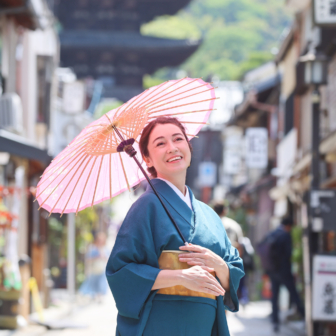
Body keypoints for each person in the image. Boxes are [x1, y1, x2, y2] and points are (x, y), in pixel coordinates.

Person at [106, 117, 244, 336]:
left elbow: (233, 270)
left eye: (178, 139)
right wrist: (181, 277)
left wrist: (219, 265)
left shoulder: (209, 214)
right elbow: (121, 272)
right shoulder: (145, 207)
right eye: (160, 143)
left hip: (205, 325)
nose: (172, 148)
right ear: (147, 159)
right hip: (161, 323)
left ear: (188, 148)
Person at [267, 217, 305, 332]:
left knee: (275, 296)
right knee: (294, 293)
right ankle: (304, 316)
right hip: (284, 271)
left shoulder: (272, 233)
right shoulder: (285, 235)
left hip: (273, 270)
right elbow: (288, 253)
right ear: (289, 226)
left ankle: (275, 322)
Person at [79, 232, 109, 301]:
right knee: (92, 284)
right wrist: (97, 257)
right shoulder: (92, 248)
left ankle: (99, 297)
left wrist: (103, 255)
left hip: (102, 270)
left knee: (101, 284)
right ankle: (93, 296)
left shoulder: (105, 249)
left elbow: (108, 260)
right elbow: (88, 259)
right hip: (94, 270)